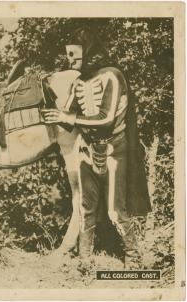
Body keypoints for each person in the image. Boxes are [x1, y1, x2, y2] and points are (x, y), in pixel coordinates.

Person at [43, 28, 151, 268]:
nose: (70, 60)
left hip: (114, 149)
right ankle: (85, 260)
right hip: (86, 149)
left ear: (88, 50)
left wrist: (68, 118)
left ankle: (133, 258)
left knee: (115, 210)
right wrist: (54, 115)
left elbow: (106, 119)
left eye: (73, 54)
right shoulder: (79, 81)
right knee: (86, 207)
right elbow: (69, 114)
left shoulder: (112, 76)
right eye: (68, 55)